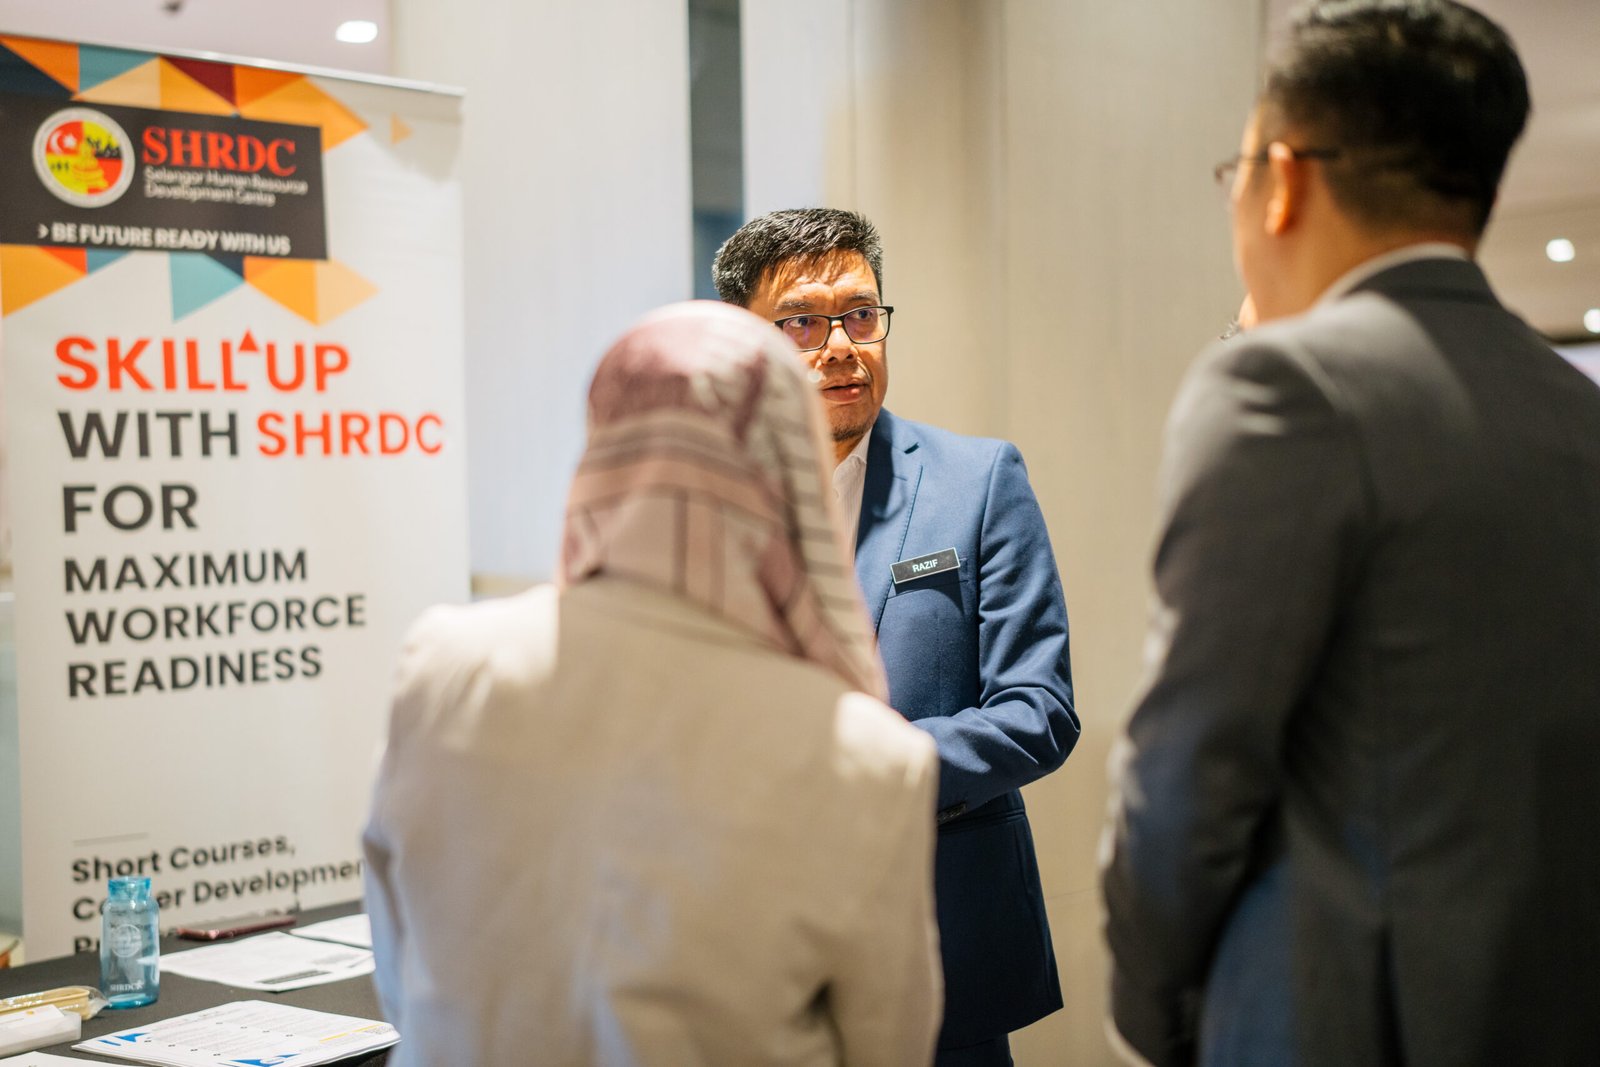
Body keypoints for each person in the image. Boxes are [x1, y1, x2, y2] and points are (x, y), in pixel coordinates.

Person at [1100, 3, 1600, 1065]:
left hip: (1338, 1021)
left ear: (1282, 178)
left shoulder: (1282, 386)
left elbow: (1187, 773)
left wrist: (1151, 1012)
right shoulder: (1577, 409)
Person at [362, 301, 943, 1066]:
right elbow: (886, 1047)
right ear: (790, 468)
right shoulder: (866, 756)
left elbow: (402, 974)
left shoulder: (441, 662)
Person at [715, 209, 1079, 1066]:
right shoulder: (707, 500)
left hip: (940, 945)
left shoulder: (977, 482)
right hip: (751, 953)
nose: (842, 346)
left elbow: (1041, 710)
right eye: (802, 322)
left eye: (860, 314)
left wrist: (877, 765)